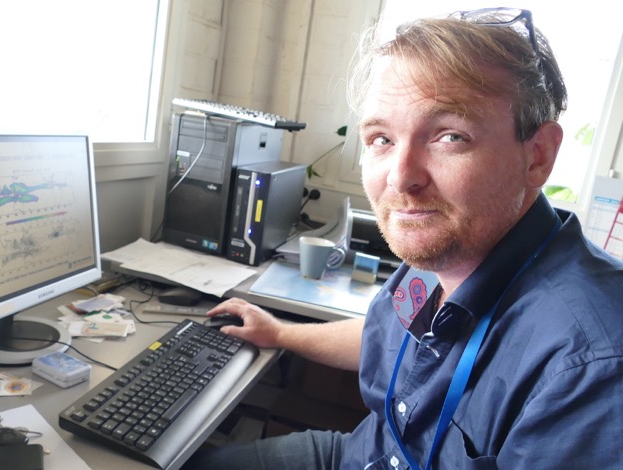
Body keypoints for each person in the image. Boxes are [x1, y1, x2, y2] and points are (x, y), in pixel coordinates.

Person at [184, 8, 623, 469]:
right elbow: (385, 339)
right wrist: (279, 332)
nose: (400, 177)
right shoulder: (445, 248)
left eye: (450, 137)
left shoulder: (593, 366)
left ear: (538, 156)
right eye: (382, 139)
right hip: (358, 456)